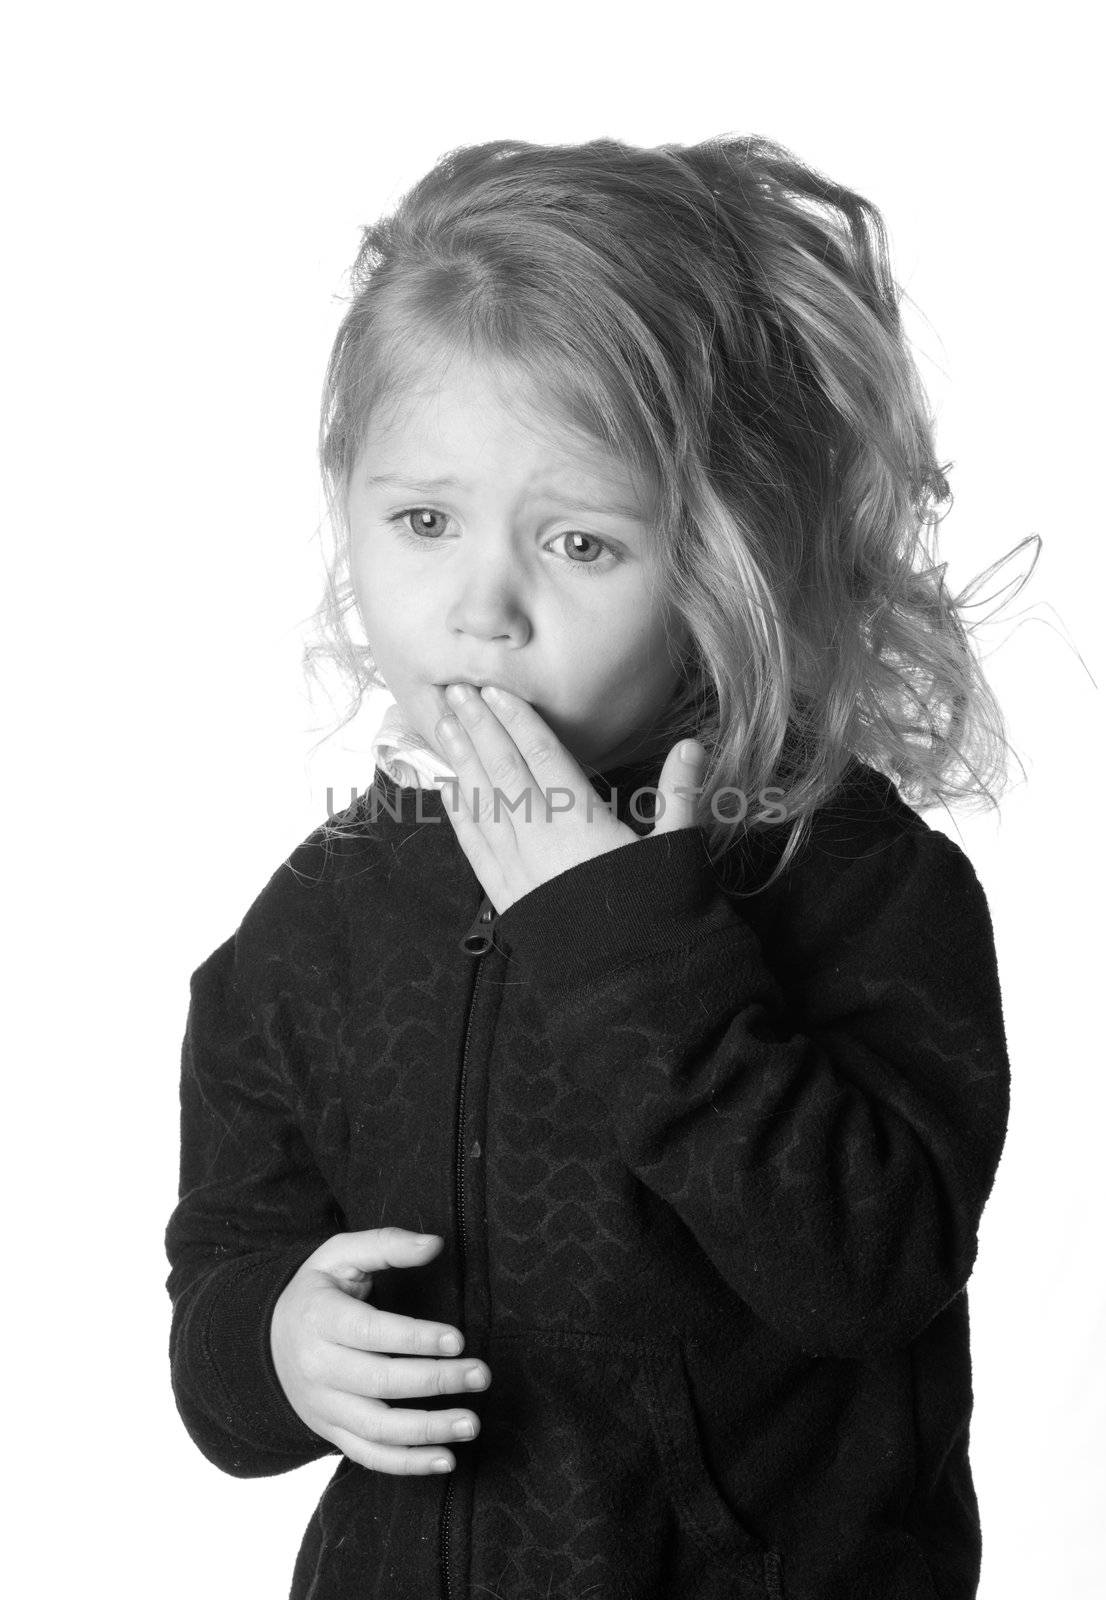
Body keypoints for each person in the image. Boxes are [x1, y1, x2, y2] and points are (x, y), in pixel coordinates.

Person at [165, 133, 1023, 1600]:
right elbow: (224, 1296)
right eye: (422, 520)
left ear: (720, 554)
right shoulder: (325, 910)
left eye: (579, 541)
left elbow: (861, 1273)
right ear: (347, 501)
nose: (481, 606)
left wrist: (617, 928)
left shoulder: (859, 882)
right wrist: (276, 1346)